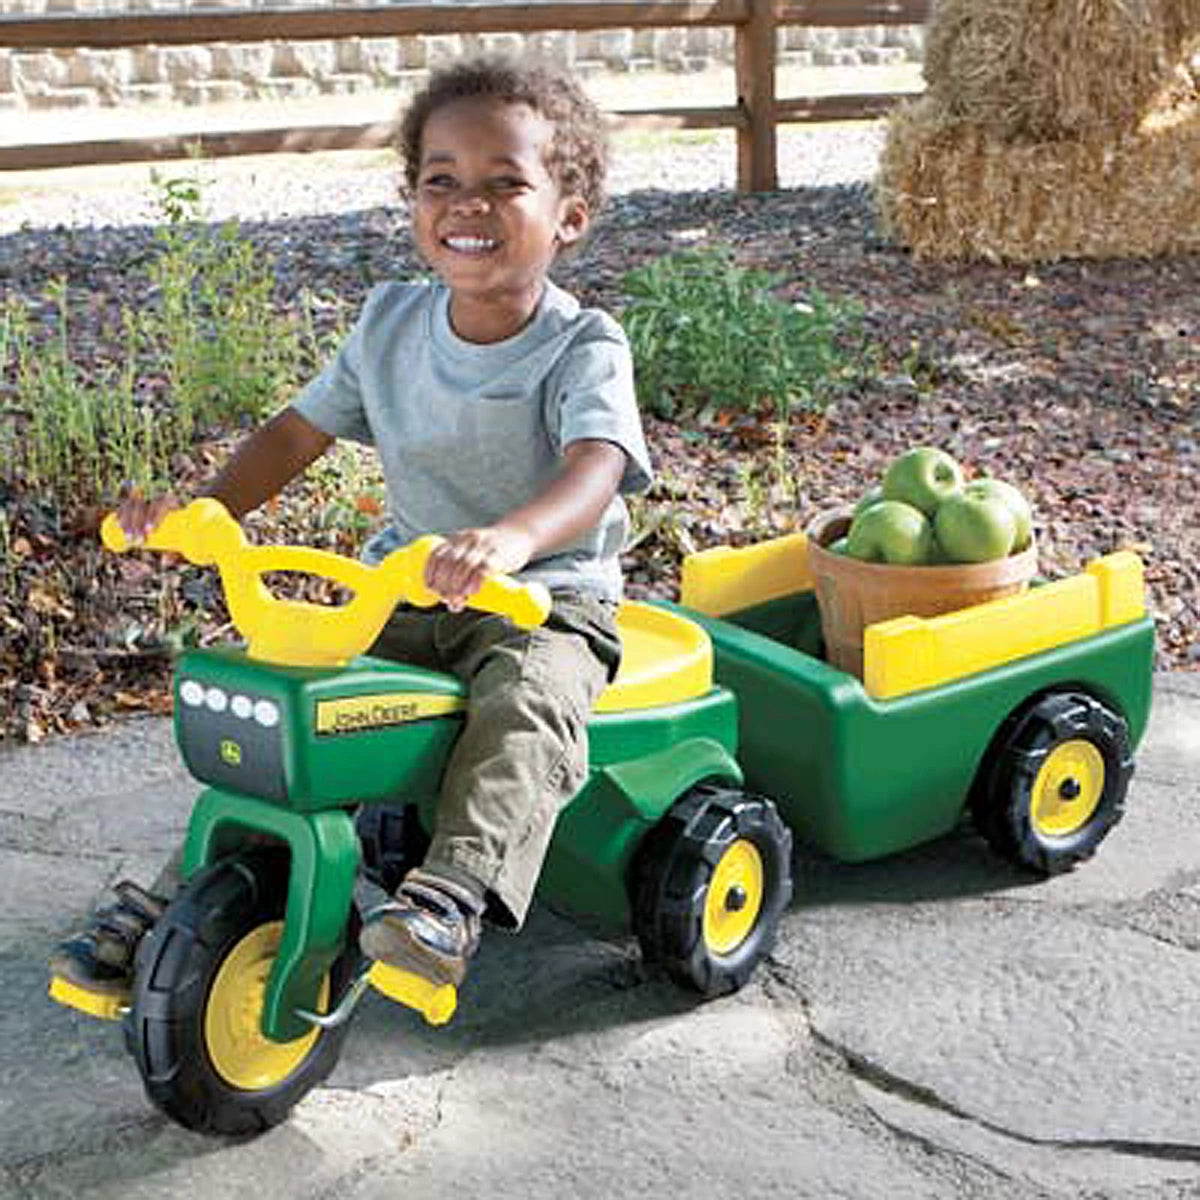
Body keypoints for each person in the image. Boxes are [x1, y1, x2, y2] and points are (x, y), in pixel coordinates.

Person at [50, 54, 653, 1003]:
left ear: (569, 216)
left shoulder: (583, 345)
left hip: (541, 596)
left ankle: (449, 900)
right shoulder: (390, 322)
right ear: (412, 199)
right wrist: (205, 513)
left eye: (507, 184)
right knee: (290, 705)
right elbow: (296, 432)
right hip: (404, 588)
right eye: (441, 181)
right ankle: (189, 891)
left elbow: (596, 469)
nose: (469, 205)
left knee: (527, 704)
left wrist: (510, 539)